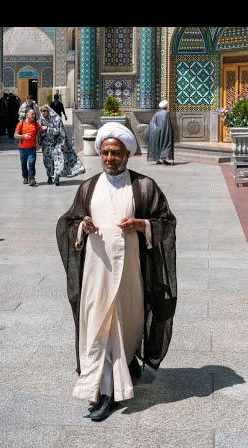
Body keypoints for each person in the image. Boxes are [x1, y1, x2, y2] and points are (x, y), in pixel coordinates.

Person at [56, 122, 177, 422]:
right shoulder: (88, 187)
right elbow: (67, 223)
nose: (110, 158)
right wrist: (81, 228)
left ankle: (127, 359)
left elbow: (167, 223)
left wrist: (141, 225)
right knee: (100, 325)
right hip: (95, 274)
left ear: (127, 155)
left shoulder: (144, 187)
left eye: (116, 153)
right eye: (106, 153)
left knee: (127, 323)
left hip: (130, 273)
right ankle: (105, 391)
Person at [37, 104, 84, 185]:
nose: (42, 113)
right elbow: (38, 131)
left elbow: (57, 131)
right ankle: (49, 176)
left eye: (44, 111)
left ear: (49, 111)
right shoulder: (41, 119)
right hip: (46, 145)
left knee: (58, 160)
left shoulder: (56, 119)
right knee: (48, 162)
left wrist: (47, 129)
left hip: (57, 144)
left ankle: (56, 177)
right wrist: (38, 142)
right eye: (41, 111)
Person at [13, 107, 40, 187]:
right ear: (27, 114)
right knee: (23, 163)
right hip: (22, 148)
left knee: (31, 163)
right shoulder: (21, 124)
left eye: (34, 114)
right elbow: (15, 135)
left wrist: (38, 143)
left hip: (32, 148)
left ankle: (32, 179)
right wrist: (23, 136)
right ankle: (25, 177)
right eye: (32, 114)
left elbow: (38, 134)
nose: (34, 116)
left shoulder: (35, 124)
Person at [147, 100, 175, 165]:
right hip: (164, 131)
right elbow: (166, 124)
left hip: (156, 132)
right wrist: (168, 133)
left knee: (158, 145)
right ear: (166, 107)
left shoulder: (157, 113)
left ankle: (157, 159)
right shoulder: (166, 113)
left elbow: (153, 122)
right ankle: (164, 160)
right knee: (165, 144)